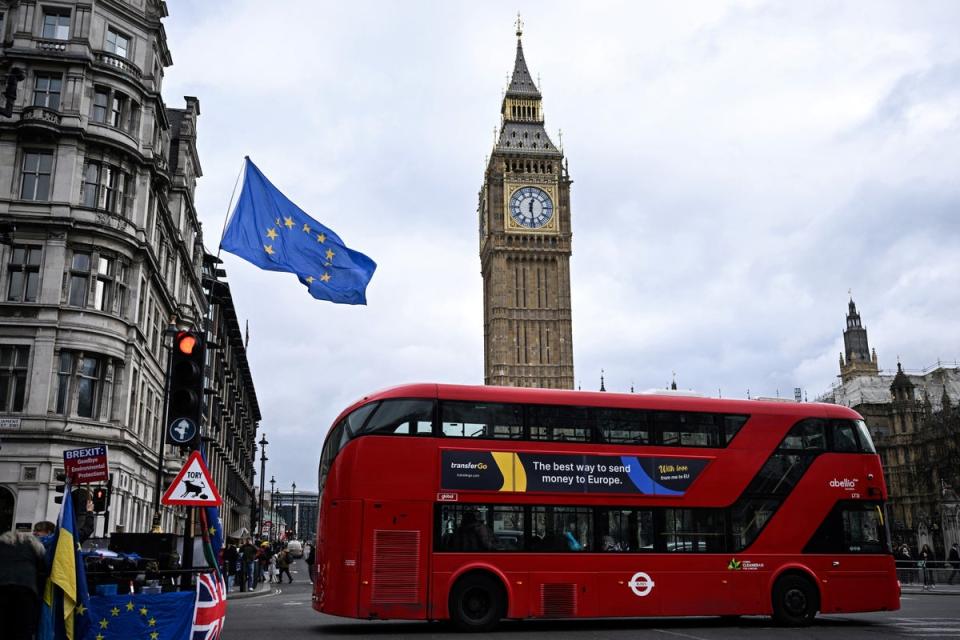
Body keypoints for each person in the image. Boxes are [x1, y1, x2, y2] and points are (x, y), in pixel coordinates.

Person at [0, 529, 48, 640]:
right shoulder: (33, 545)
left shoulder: (2, 544)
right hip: (26, 590)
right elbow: (43, 571)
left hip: (1, 588)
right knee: (22, 630)